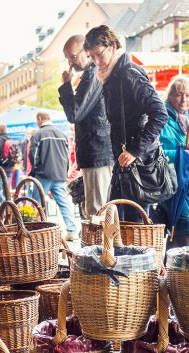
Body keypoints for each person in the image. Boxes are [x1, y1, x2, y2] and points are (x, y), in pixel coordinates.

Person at [84, 25, 168, 221]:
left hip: (139, 163)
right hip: (125, 163)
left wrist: (134, 150)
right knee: (118, 225)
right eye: (91, 56)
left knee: (134, 227)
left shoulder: (128, 72)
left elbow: (160, 113)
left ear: (112, 46)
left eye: (99, 54)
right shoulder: (112, 74)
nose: (96, 61)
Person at [59, 34, 114, 218]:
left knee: (97, 213)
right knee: (100, 212)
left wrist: (66, 85)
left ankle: (101, 247)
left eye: (73, 57)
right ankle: (104, 246)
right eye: (68, 58)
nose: (70, 63)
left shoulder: (93, 74)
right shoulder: (92, 73)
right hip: (96, 151)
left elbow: (75, 113)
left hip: (97, 151)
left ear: (86, 51)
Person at [29, 111, 79, 240]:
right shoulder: (62, 134)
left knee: (36, 202)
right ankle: (72, 230)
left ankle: (36, 230)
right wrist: (65, 171)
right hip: (59, 174)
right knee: (63, 203)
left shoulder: (38, 133)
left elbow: (33, 154)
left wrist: (34, 170)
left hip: (43, 174)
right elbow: (67, 156)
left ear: (40, 119)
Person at [159, 76, 189, 248]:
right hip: (170, 182)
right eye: (179, 95)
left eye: (187, 95)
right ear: (170, 95)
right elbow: (156, 152)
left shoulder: (185, 119)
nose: (184, 99)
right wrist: (182, 154)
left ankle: (174, 270)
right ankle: (178, 269)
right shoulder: (162, 117)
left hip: (185, 180)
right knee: (183, 221)